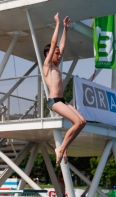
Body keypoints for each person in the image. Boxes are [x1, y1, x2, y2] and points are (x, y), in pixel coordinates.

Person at [43, 12, 86, 166]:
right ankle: (60, 148)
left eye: (60, 54)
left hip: (62, 100)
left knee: (82, 121)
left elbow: (61, 45)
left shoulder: (56, 65)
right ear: (48, 54)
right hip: (54, 101)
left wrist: (66, 29)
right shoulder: (47, 65)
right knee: (76, 122)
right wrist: (57, 24)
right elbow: (54, 42)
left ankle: (62, 148)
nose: (59, 55)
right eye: (56, 54)